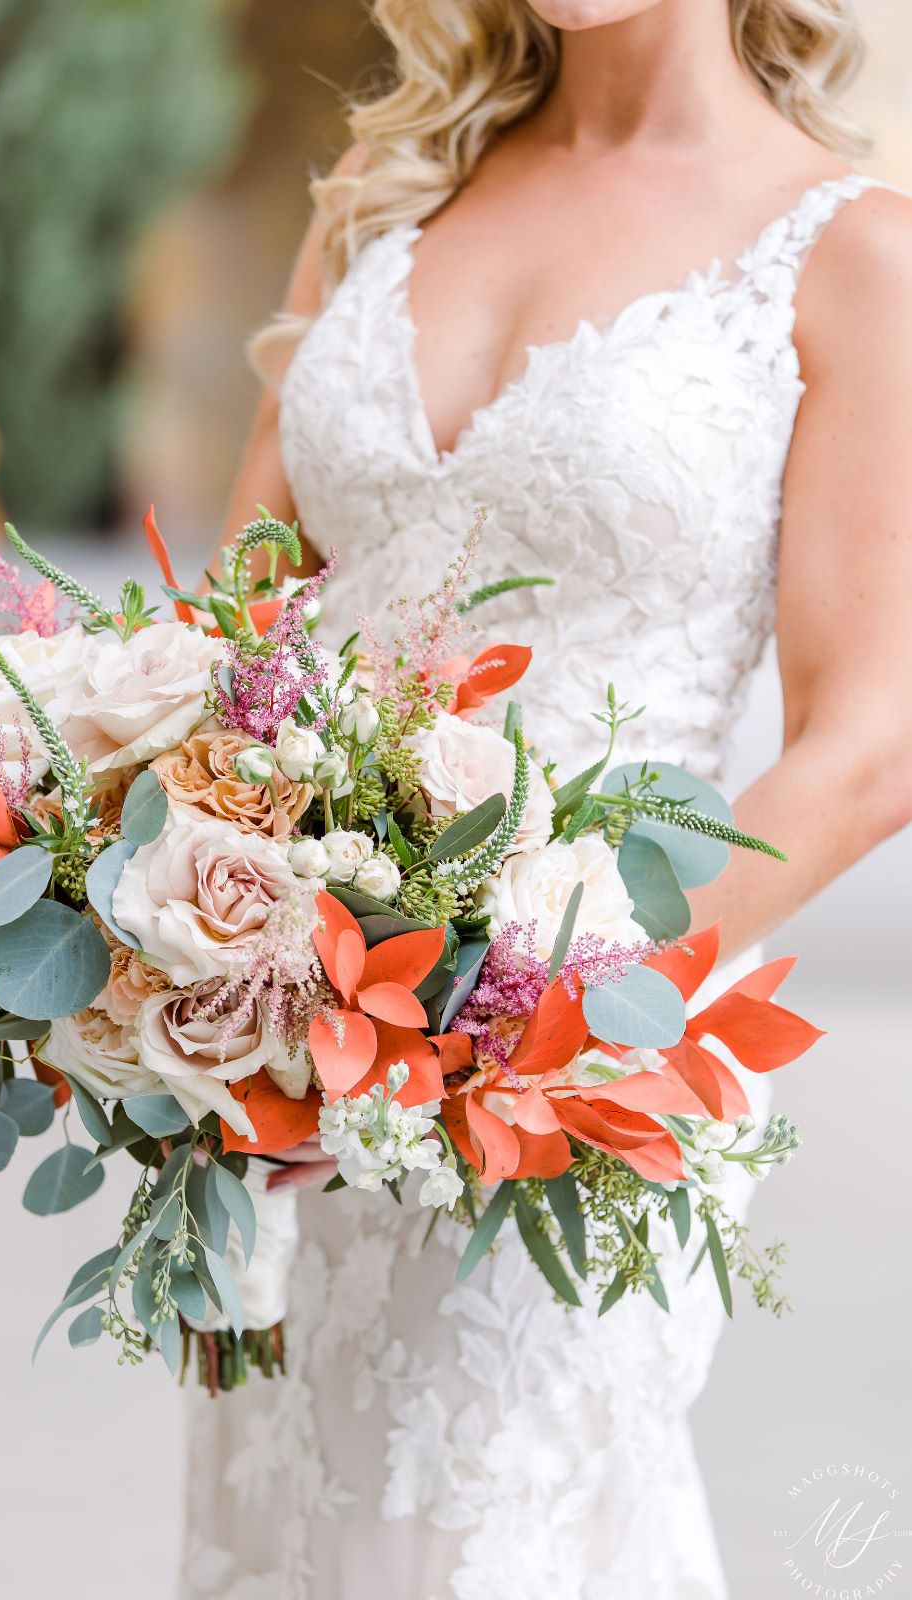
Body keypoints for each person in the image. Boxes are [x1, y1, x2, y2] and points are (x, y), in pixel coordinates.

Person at [180, 4, 912, 1595]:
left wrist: (546, 1018)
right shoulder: (380, 192)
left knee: (482, 1524)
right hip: (299, 1044)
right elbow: (238, 629)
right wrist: (172, 938)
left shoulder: (849, 253)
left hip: (578, 1067)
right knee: (301, 1519)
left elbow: (871, 744)